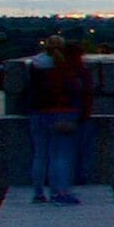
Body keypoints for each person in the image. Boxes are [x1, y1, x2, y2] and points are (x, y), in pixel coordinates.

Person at [29, 38, 96, 205]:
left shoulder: (35, 65)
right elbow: (77, 91)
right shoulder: (66, 68)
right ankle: (59, 193)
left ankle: (38, 193)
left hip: (37, 113)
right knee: (61, 156)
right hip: (62, 113)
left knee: (39, 155)